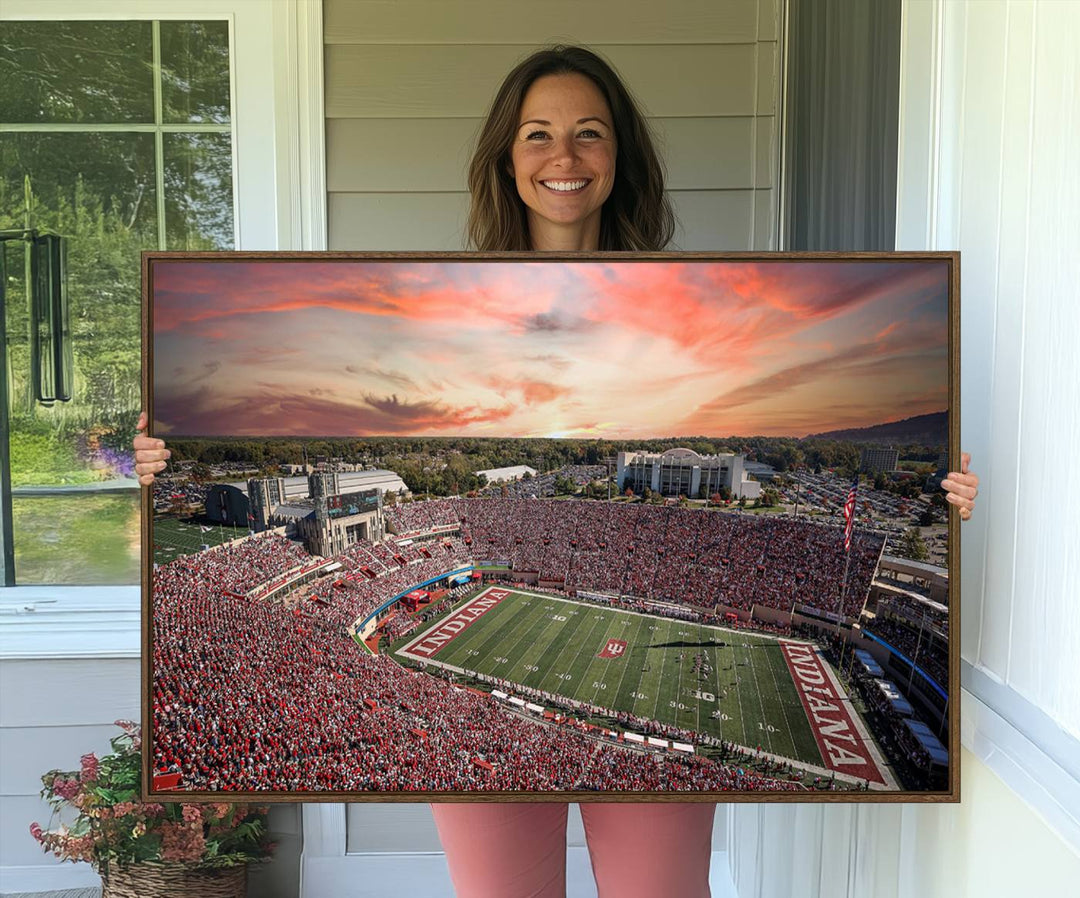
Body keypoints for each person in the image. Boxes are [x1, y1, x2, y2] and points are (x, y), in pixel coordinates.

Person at [134, 45, 979, 898]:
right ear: (507, 155)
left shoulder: (685, 298)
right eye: (538, 134)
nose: (564, 157)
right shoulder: (444, 300)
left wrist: (945, 502)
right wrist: (157, 457)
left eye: (589, 133)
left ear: (620, 156)